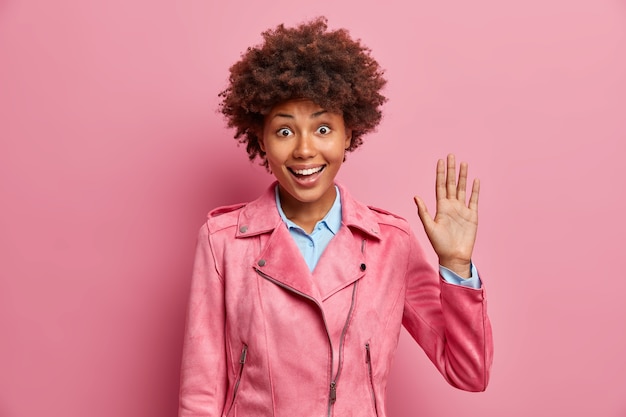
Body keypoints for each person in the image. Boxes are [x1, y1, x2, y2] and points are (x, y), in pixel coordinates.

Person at [179, 16, 493, 417]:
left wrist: (456, 266)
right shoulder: (221, 241)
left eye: (323, 128)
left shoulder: (390, 242)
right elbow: (200, 393)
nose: (305, 150)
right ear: (262, 140)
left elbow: (470, 373)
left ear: (349, 134)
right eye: (285, 131)